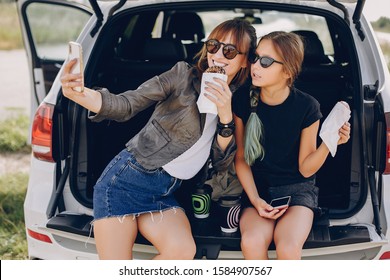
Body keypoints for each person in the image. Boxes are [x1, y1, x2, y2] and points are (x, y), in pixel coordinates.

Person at [60, 19, 257, 260]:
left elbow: (222, 162)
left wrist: (225, 114)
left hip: (164, 192)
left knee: (182, 252)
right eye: (214, 45)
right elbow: (127, 104)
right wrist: (80, 94)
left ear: (245, 60)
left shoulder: (240, 100)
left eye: (230, 51)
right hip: (125, 183)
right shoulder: (182, 76)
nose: (218, 55)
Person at [233, 31, 351, 260]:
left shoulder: (307, 107)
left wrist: (329, 143)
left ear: (287, 71)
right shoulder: (242, 99)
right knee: (251, 241)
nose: (255, 65)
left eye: (265, 62)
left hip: (297, 192)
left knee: (287, 248)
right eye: (255, 57)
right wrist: (256, 200)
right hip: (258, 190)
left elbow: (306, 169)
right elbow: (241, 158)